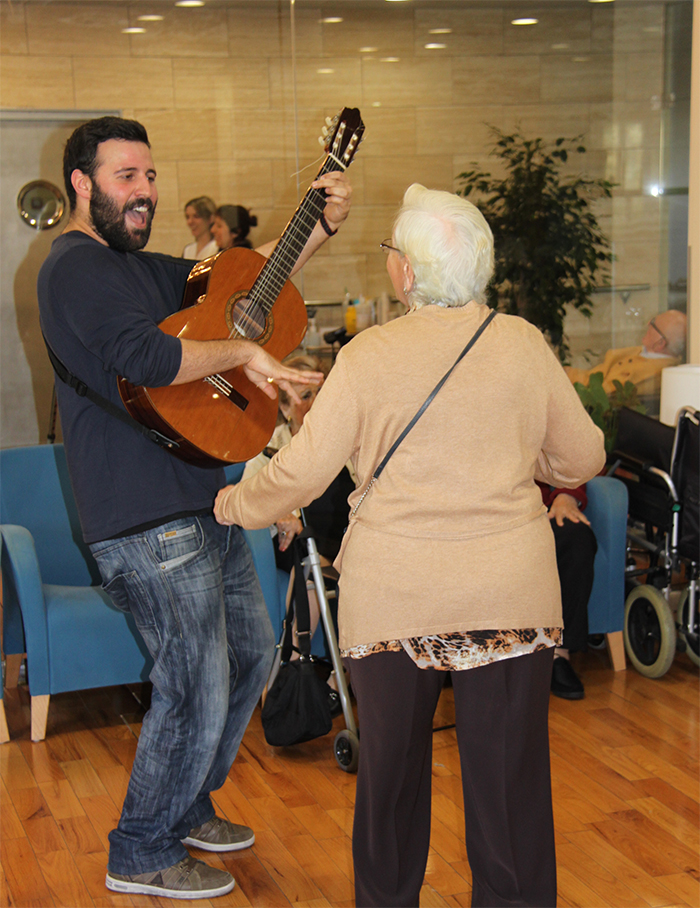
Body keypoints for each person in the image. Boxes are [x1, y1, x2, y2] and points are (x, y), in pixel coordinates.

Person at [214, 183, 605, 907]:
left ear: (407, 273)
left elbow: (301, 472)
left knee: (390, 785)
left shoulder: (370, 354)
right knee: (511, 789)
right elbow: (582, 458)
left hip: (395, 600)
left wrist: (234, 502)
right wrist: (524, 465)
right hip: (508, 596)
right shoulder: (522, 343)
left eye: (393, 249)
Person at [37, 115, 351, 901]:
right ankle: (141, 849)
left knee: (248, 654)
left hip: (206, 500)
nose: (143, 191)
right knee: (195, 676)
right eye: (124, 178)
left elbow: (246, 294)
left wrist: (315, 228)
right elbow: (148, 357)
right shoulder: (75, 269)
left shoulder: (144, 265)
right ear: (83, 184)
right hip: (141, 518)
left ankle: (182, 807)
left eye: (148, 176)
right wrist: (246, 355)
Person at [538, 483, 597, 700]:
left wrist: (568, 494)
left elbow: (571, 454)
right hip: (473, 510)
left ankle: (558, 653)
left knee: (576, 537)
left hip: (536, 506)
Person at [565, 309, 687, 400]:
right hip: (578, 382)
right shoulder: (643, 353)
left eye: (653, 324)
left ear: (660, 343)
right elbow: (595, 375)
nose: (648, 324)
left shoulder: (655, 373)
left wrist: (563, 378)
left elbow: (601, 393)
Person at [182, 195, 218, 260]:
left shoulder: (217, 248)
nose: (190, 222)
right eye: (188, 217)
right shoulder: (188, 250)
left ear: (210, 218)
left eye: (196, 216)